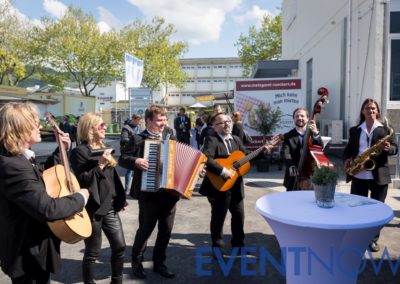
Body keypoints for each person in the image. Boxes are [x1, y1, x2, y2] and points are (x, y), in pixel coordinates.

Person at [0, 102, 89, 284]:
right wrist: (80, 198)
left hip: (33, 250)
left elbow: (43, 178)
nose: (40, 126)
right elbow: (47, 208)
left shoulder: (17, 159)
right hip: (26, 256)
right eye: (35, 123)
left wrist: (61, 150)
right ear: (21, 128)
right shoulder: (12, 166)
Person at [199, 112, 273, 256]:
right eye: (222, 122)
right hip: (219, 186)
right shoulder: (211, 139)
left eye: (228, 121)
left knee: (239, 216)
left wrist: (263, 152)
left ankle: (238, 245)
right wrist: (222, 171)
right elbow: (206, 158)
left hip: (236, 185)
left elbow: (248, 157)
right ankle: (217, 248)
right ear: (214, 127)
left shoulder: (237, 140)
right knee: (218, 218)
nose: (227, 124)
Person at [119, 105, 178, 279]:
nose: (163, 123)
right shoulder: (138, 139)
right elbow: (122, 158)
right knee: (145, 230)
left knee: (165, 231)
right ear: (149, 121)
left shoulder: (170, 135)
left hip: (170, 193)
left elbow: (180, 159)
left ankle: (159, 263)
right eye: (159, 120)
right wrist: (136, 160)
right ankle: (136, 262)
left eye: (165, 119)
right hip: (149, 194)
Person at [70, 113, 127, 284]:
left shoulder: (104, 147)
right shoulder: (79, 152)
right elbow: (83, 180)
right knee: (93, 251)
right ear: (90, 128)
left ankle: (117, 280)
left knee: (120, 246)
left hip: (109, 206)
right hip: (92, 208)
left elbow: (111, 178)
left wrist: (119, 199)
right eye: (101, 125)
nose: (105, 127)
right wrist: (100, 164)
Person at [343, 98, 398, 252]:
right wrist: (347, 159)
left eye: (373, 108)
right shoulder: (355, 130)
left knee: (376, 210)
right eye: (367, 108)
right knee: (356, 209)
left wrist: (389, 148)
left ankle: (373, 239)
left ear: (377, 111)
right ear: (362, 111)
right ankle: (358, 236)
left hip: (378, 175)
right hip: (359, 175)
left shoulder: (386, 130)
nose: (371, 111)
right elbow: (348, 149)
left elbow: (395, 148)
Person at [282, 107, 323, 191]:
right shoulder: (287, 136)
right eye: (297, 116)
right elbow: (285, 153)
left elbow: (320, 147)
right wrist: (290, 165)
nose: (299, 118)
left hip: (310, 175)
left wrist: (316, 134)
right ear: (293, 119)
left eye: (302, 116)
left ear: (308, 119)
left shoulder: (313, 134)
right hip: (294, 175)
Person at [120, 113, 142, 194]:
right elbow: (123, 139)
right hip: (129, 151)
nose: (138, 123)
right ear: (133, 119)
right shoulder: (126, 128)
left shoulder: (138, 127)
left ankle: (135, 189)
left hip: (136, 150)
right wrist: (133, 140)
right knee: (129, 171)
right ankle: (127, 189)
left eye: (139, 121)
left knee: (136, 170)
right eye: (137, 121)